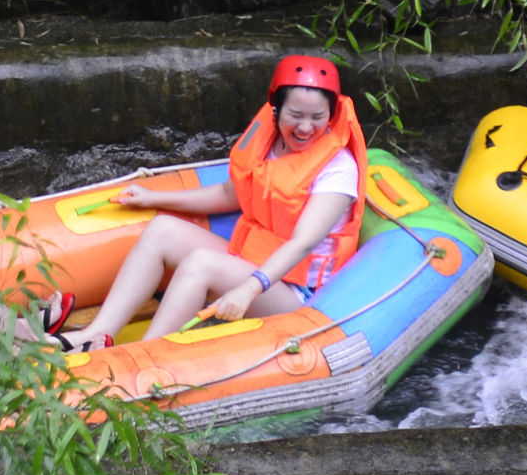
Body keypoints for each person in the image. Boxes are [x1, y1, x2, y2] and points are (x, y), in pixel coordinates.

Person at [61, 55, 370, 353]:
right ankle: (94, 335)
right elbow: (229, 195)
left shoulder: (338, 168)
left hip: (295, 292)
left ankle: (143, 355)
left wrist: (249, 288)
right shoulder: (269, 143)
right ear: (276, 110)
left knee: (200, 263)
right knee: (162, 230)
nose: (305, 128)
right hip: (252, 260)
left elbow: (303, 243)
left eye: (318, 117)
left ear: (331, 114)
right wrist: (154, 198)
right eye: (295, 115)